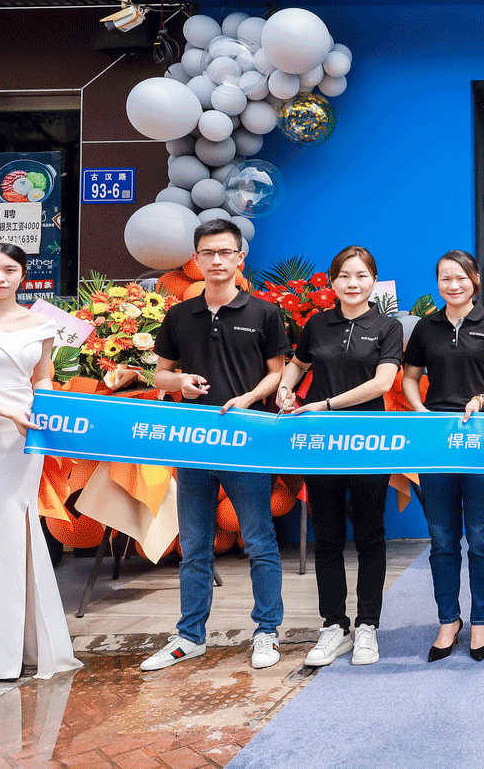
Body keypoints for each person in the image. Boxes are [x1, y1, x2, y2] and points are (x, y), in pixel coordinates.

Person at [144, 218, 291, 672]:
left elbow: (278, 371)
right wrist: (180, 382)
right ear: (196, 259)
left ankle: (266, 632)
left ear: (240, 257)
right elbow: (159, 373)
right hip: (194, 444)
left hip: (245, 441)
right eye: (208, 253)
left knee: (259, 541)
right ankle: (190, 636)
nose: (217, 260)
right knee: (194, 545)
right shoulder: (179, 315)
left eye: (226, 252)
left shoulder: (264, 312)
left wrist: (249, 398)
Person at [0, 243, 81, 690]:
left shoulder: (42, 324)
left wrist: (48, 409)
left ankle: (13, 650)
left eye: (9, 269)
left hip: (24, 440)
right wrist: (5, 410)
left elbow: (42, 377)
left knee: (15, 532)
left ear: (23, 275)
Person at [277, 246, 404, 668]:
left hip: (368, 443)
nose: (353, 284)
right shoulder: (317, 324)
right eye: (344, 276)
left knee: (370, 534)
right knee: (327, 536)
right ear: (332, 282)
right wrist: (285, 388)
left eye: (361, 276)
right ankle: (334, 624)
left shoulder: (387, 327)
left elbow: (382, 383)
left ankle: (367, 625)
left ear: (374, 281)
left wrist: (326, 404)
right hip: (321, 444)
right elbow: (298, 364)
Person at [402, 250, 484, 662]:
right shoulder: (425, 327)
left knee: (483, 536)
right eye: (445, 279)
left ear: (475, 280)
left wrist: (482, 399)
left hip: (482, 438)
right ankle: (448, 620)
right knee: (442, 537)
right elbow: (410, 377)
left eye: (461, 278)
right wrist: (419, 411)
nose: (453, 285)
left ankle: (481, 620)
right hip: (436, 441)